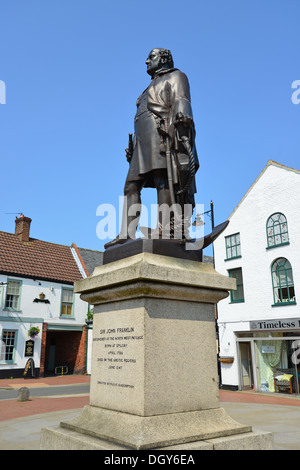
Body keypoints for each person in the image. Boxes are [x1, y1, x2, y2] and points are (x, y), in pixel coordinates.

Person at [105, 48, 199, 249]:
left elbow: (182, 100)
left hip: (162, 136)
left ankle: (167, 229)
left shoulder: (176, 76)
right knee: (131, 185)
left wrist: (183, 117)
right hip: (143, 144)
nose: (146, 61)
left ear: (164, 59)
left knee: (163, 181)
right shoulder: (148, 86)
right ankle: (126, 233)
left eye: (151, 57)